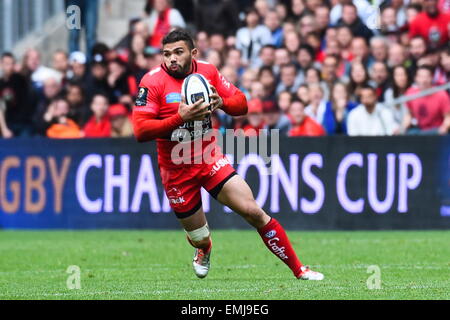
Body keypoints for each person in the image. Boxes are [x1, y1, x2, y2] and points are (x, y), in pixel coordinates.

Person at [132, 29, 324, 280]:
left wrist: (220, 102)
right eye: (166, 54)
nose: (172, 59)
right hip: (175, 168)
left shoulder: (208, 71)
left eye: (178, 52)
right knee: (199, 236)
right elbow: (140, 130)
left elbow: (241, 103)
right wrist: (181, 117)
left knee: (254, 211)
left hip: (208, 157)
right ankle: (204, 248)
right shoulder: (152, 81)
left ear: (193, 53)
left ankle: (299, 270)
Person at [404, 66, 450, 135]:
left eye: (426, 76)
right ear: (416, 78)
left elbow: (448, 117)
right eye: (421, 77)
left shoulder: (441, 94)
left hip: (436, 130)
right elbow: (409, 114)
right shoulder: (411, 93)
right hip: (419, 130)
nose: (424, 80)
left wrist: (444, 128)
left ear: (431, 78)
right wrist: (402, 129)